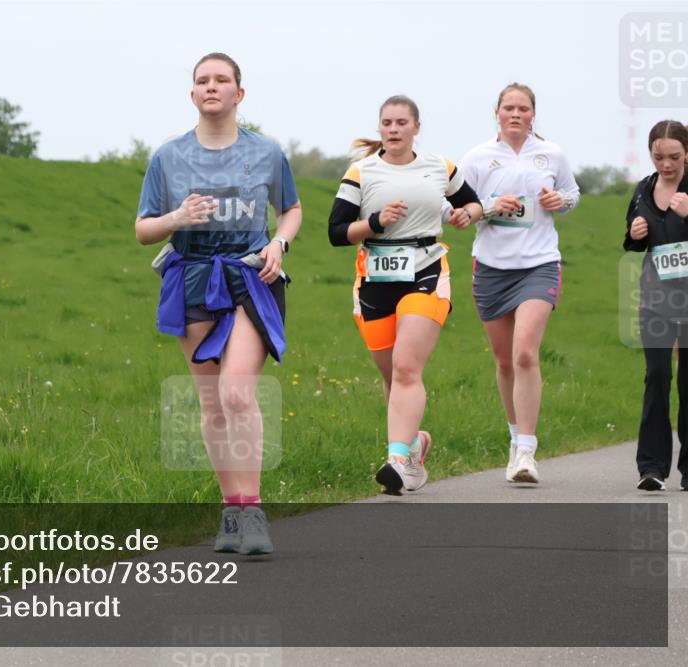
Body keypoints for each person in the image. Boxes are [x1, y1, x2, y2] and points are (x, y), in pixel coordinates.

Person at [135, 53, 302, 552]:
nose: (212, 86)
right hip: (192, 279)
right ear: (192, 95)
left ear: (238, 93)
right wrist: (176, 219)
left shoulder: (267, 152)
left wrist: (279, 243)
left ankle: (253, 512)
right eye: (202, 80)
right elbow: (143, 229)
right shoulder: (168, 157)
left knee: (236, 394)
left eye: (221, 80)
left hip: (251, 277)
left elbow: (291, 209)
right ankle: (231, 511)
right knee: (212, 405)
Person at [328, 95, 481, 495]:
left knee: (406, 367)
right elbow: (336, 232)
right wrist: (376, 221)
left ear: (416, 127)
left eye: (401, 122)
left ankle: (397, 461)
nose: (393, 129)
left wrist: (467, 215)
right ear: (379, 128)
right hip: (375, 278)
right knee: (392, 375)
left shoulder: (440, 166)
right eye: (387, 123)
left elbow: (472, 204)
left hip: (426, 268)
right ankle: (414, 445)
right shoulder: (362, 171)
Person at [458, 83, 580, 484]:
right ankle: (514, 439)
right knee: (505, 361)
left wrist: (559, 201)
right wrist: (490, 207)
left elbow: (572, 194)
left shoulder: (552, 154)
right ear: (497, 113)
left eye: (523, 108)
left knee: (525, 352)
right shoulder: (477, 158)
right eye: (508, 107)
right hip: (492, 267)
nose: (515, 114)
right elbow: (455, 208)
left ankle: (527, 450)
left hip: (539, 264)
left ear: (533, 115)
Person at [623, 119, 688, 491]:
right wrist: (634, 234)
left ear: (686, 153)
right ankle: (651, 467)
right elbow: (632, 241)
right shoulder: (643, 190)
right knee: (658, 376)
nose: (666, 164)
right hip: (656, 298)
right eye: (658, 156)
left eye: (674, 157)